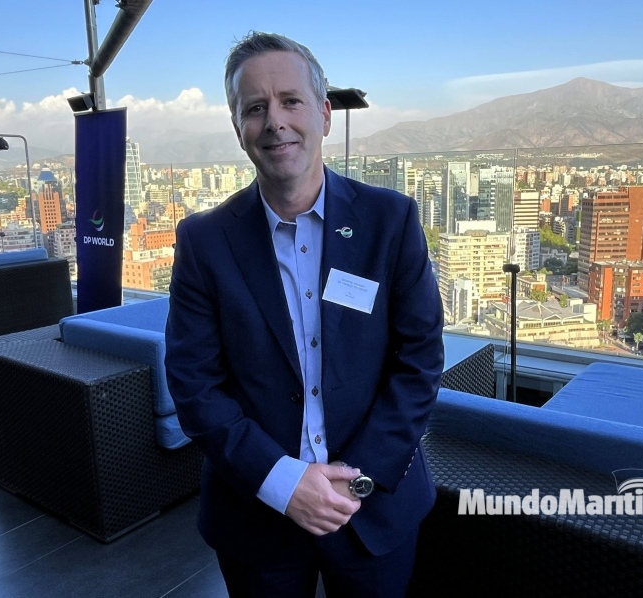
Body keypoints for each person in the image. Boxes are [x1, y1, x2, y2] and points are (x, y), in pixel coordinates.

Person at [165, 31, 444, 597]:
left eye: (291, 101)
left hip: (374, 508)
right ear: (238, 128)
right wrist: (282, 482)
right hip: (255, 515)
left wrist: (355, 482)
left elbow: (419, 359)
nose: (275, 121)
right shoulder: (204, 241)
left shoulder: (390, 221)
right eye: (255, 108)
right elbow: (194, 383)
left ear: (324, 114)